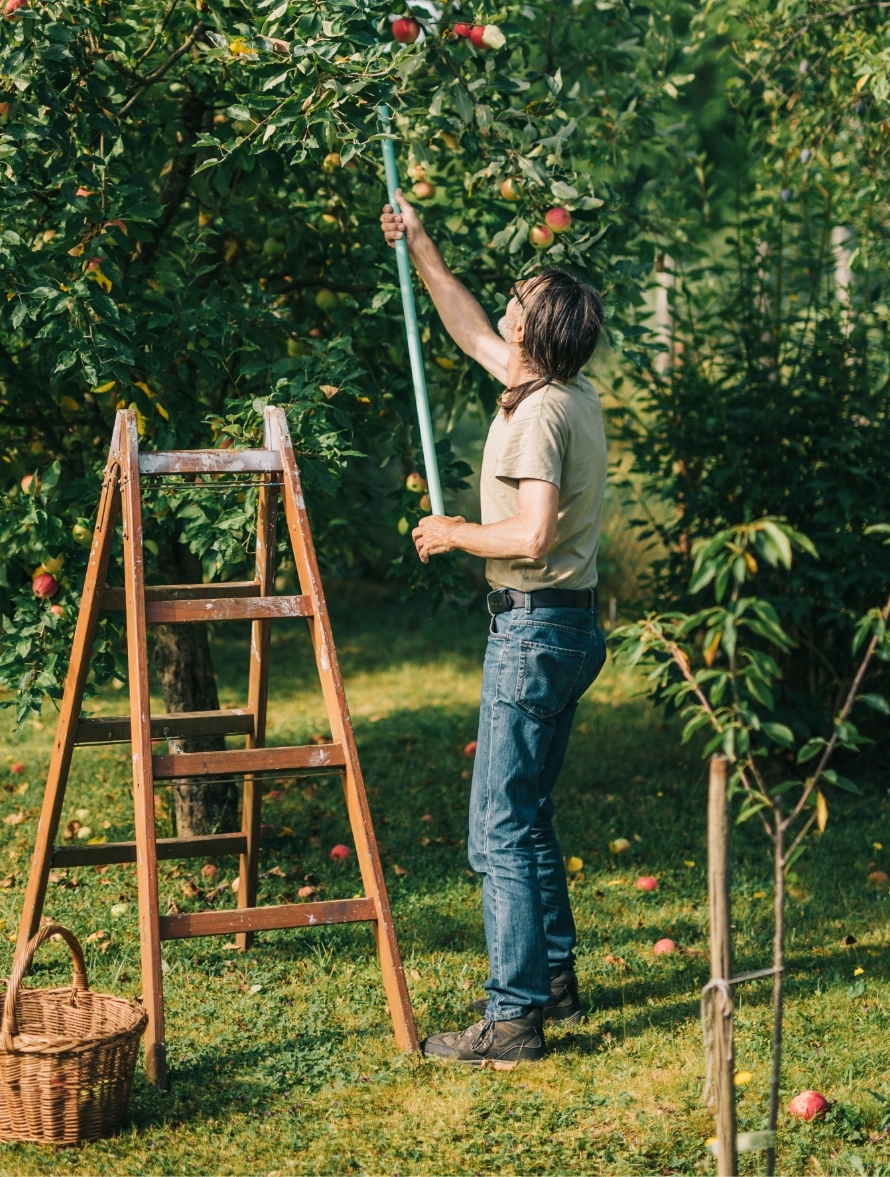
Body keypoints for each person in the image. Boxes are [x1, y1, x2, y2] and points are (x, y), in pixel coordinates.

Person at [380, 190, 609, 1066]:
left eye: (517, 300)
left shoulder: (539, 416)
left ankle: (512, 1019)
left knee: (498, 828)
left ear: (535, 331)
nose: (503, 307)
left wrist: (453, 533)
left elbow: (534, 532)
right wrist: (420, 244)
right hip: (566, 625)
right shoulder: (558, 389)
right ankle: (552, 978)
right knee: (530, 812)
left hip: (534, 630)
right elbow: (465, 323)